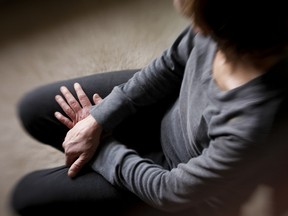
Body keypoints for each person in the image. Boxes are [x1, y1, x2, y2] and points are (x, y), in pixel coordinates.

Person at [10, 0, 288, 215]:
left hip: (174, 180)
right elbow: (170, 64)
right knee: (33, 110)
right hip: (166, 110)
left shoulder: (253, 122)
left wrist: (105, 149)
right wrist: (98, 119)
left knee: (26, 197)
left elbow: (171, 191)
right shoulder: (216, 26)